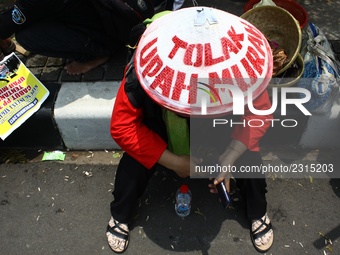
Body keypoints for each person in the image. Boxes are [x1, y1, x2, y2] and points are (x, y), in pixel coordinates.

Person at [108, 8, 274, 254]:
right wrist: (174, 161)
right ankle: (120, 214)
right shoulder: (143, 69)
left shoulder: (244, 72)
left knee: (251, 161)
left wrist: (230, 156)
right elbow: (122, 126)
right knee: (131, 166)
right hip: (162, 126)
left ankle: (257, 211)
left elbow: (259, 114)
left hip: (221, 128)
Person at [0, 0, 167, 75]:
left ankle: (97, 53)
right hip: (120, 14)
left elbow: (8, 25)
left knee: (26, 37)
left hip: (110, 33)